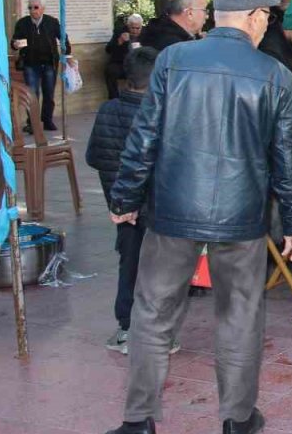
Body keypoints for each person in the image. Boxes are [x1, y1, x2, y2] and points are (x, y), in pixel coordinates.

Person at [104, 0, 292, 434]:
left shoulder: (173, 60)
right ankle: (237, 420)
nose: (266, 26)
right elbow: (286, 160)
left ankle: (138, 422)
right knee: (239, 317)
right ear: (254, 17)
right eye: (267, 17)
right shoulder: (275, 74)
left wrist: (124, 198)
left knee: (153, 314)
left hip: (173, 211)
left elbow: (144, 136)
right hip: (242, 218)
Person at [85, 47, 171, 355]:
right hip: (154, 205)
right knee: (160, 268)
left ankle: (127, 326)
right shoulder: (159, 114)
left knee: (130, 264)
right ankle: (158, 332)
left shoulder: (107, 110)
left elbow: (94, 157)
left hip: (121, 206)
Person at [11, 0, 69, 132]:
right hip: (31, 64)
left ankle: (47, 120)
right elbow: (14, 42)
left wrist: (67, 54)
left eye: (35, 7)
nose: (32, 10)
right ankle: (33, 123)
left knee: (49, 93)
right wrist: (15, 44)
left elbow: (63, 38)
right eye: (30, 7)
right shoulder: (22, 23)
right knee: (33, 94)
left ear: (42, 8)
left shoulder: (52, 22)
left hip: (49, 63)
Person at [138, 0, 206, 51]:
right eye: (204, 10)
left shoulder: (156, 31)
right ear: (190, 13)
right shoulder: (175, 47)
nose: (206, 16)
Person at [103, 14, 144, 100]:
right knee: (110, 71)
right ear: (128, 26)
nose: (135, 31)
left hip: (139, 65)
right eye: (132, 28)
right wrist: (120, 42)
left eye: (138, 28)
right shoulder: (120, 32)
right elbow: (108, 49)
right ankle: (114, 99)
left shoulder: (146, 34)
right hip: (122, 64)